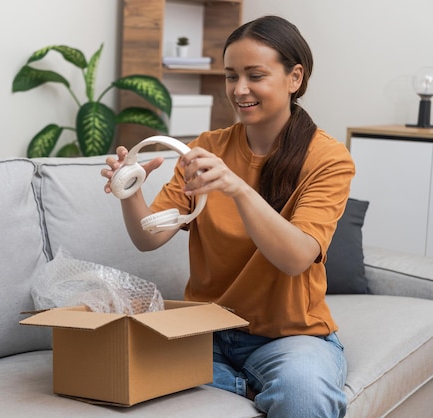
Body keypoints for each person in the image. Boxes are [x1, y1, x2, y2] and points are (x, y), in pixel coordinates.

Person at [101, 15, 354, 418]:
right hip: (205, 333)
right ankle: (245, 388)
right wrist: (128, 193)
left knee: (303, 396)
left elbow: (296, 258)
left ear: (295, 77)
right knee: (119, 373)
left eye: (255, 75)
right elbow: (149, 237)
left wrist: (236, 188)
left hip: (288, 337)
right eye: (230, 75)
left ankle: (246, 386)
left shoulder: (328, 158)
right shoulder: (205, 148)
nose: (239, 90)